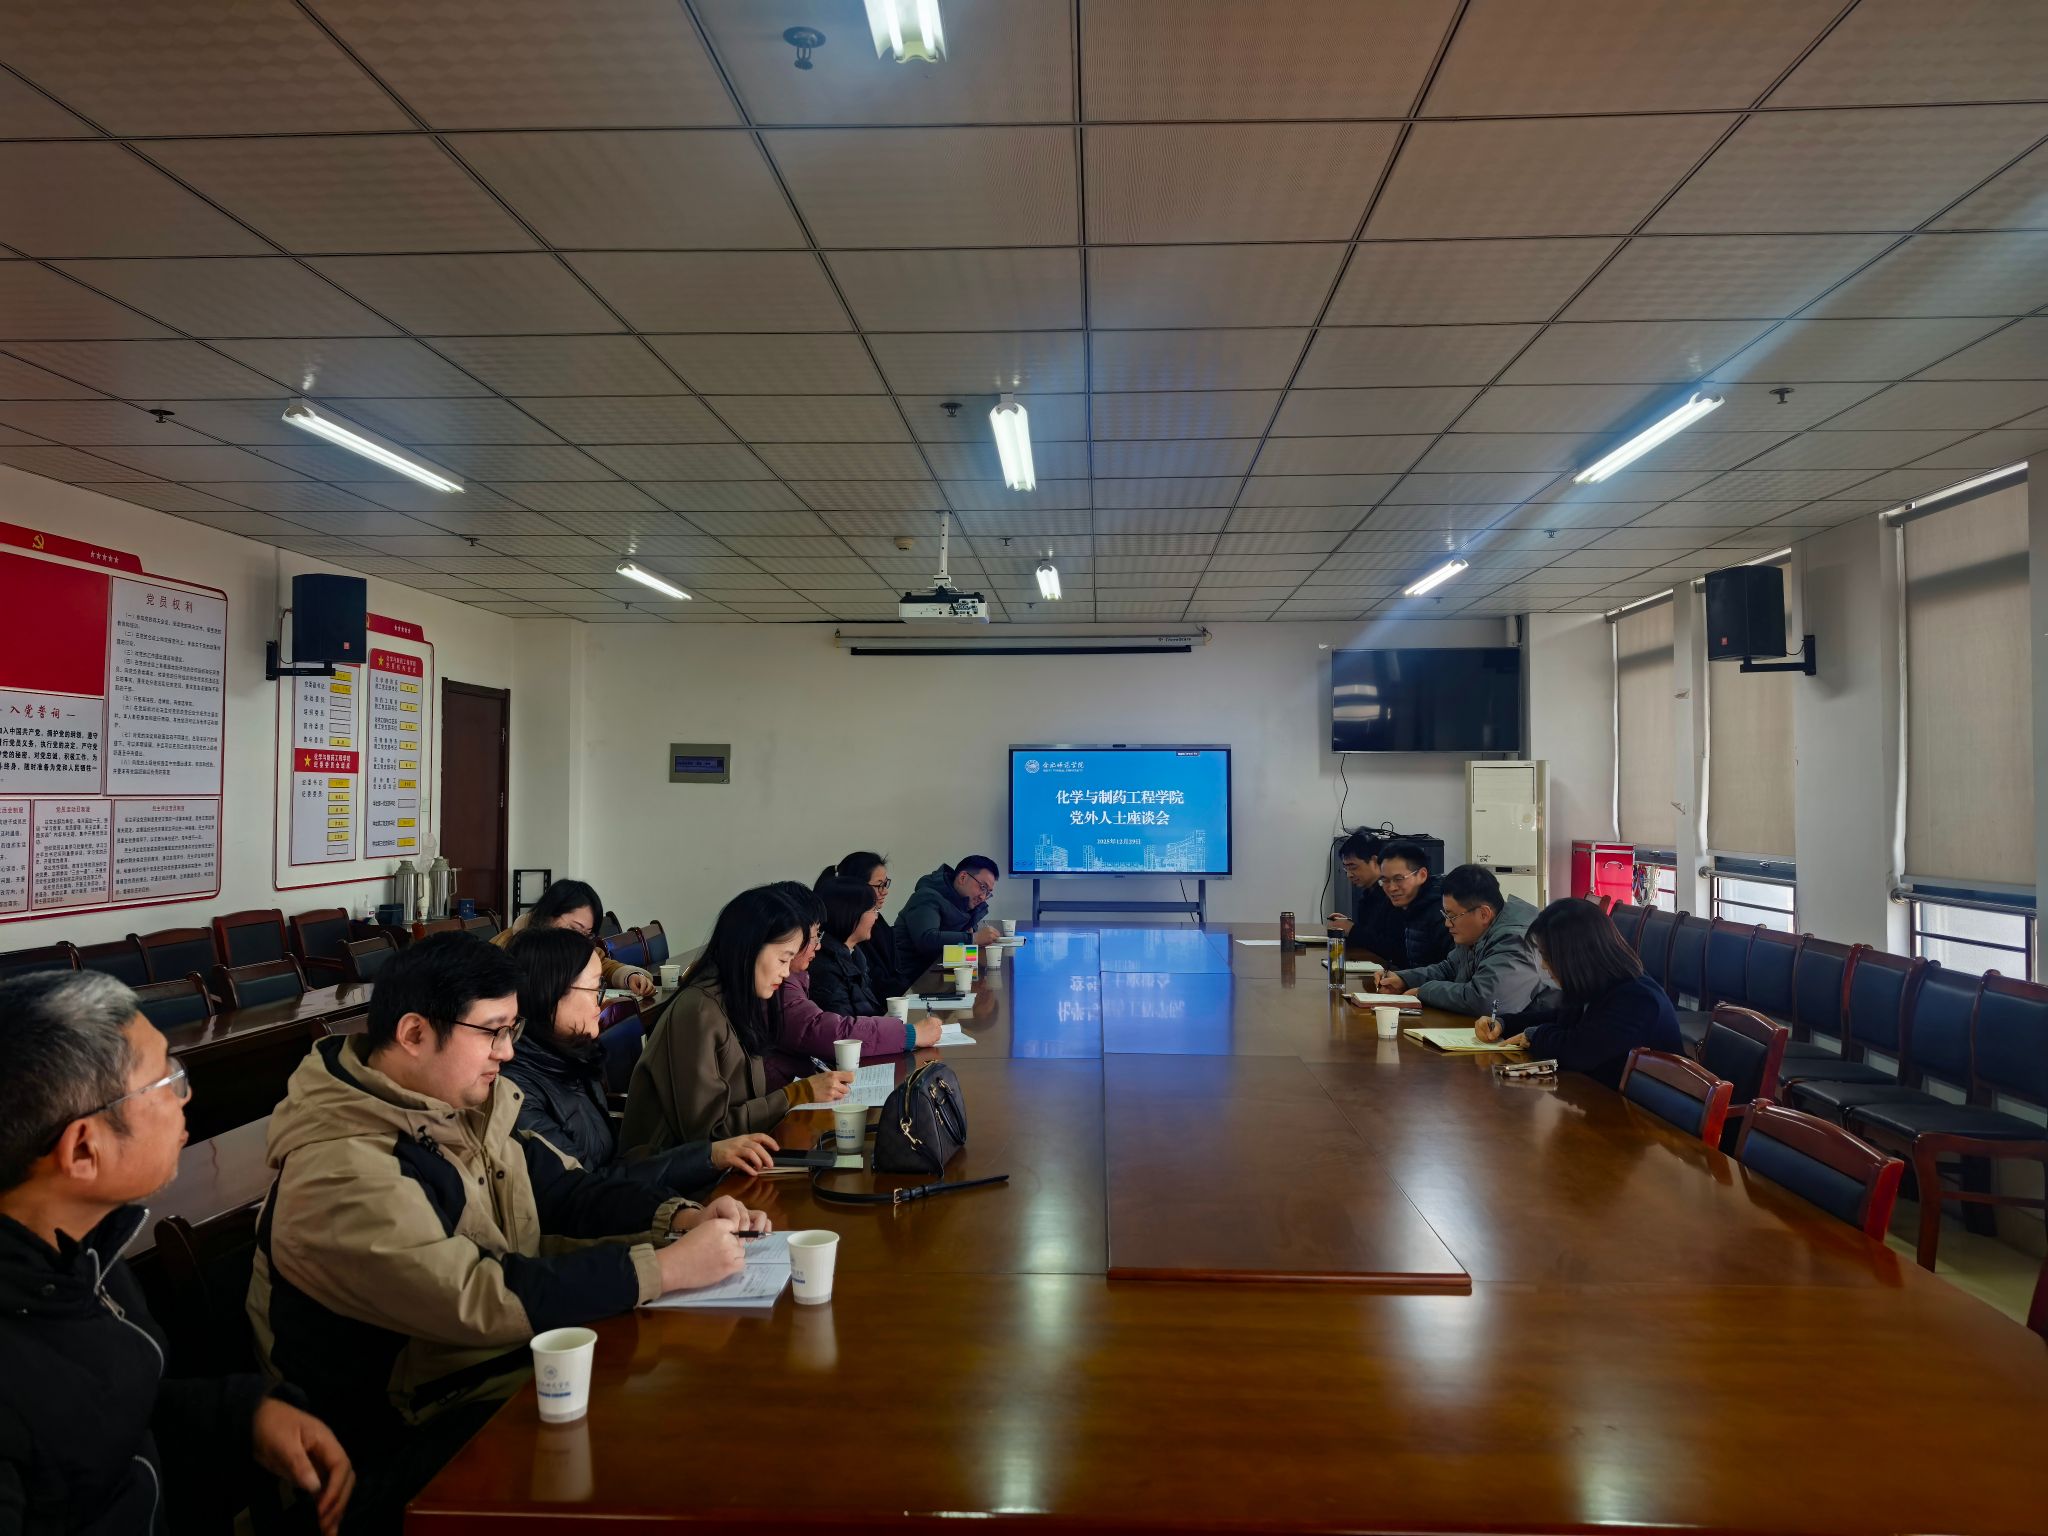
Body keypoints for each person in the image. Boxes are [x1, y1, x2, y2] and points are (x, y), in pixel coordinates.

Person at [248, 933, 767, 1530]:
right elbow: (477, 1297)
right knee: (660, 1442)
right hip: (389, 1445)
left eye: (511, 1029)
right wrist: (665, 1269)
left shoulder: (457, 1106)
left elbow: (563, 1194)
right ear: (414, 1033)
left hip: (477, 1373)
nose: (508, 1051)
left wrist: (680, 1220)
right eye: (492, 1032)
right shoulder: (342, 1169)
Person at [0, 971, 354, 1535]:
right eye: (165, 1080)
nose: (186, 1096)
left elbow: (101, 1422)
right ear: (84, 1149)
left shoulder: (86, 1248)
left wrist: (244, 1413)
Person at [502, 926, 778, 1198]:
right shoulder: (517, 1093)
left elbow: (611, 1166)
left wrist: (708, 1159)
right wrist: (706, 1158)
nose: (601, 1001)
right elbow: (586, 1192)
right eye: (595, 988)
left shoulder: (571, 1057)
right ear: (549, 993)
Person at [623, 887, 853, 1153]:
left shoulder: (739, 999)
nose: (786, 972)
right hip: (670, 1169)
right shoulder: (699, 1012)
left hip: (732, 1156)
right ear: (749, 950)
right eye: (783, 959)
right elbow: (708, 1134)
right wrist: (798, 1094)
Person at [1475, 898, 1683, 1088]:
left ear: (1575, 956)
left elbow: (1578, 1052)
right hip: (1601, 1095)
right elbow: (1561, 1018)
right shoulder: (1600, 982)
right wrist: (1504, 1023)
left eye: (1547, 957)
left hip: (1644, 1112)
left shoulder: (1636, 999)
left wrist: (1535, 1035)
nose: (1544, 966)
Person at [766, 878, 944, 1089]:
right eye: (813, 936)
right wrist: (908, 1034)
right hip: (787, 1091)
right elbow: (824, 1031)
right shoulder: (809, 971)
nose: (817, 945)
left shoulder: (849, 956)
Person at [1375, 863, 1555, 1017]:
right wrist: (1404, 979)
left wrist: (1424, 992)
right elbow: (1449, 968)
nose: (1447, 923)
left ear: (1484, 914)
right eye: (1445, 914)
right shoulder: (1477, 934)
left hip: (1538, 1039)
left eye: (1452, 915)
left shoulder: (1517, 940)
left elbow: (1487, 1000)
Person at [493, 877, 654, 997]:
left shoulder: (578, 947)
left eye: (587, 934)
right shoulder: (504, 950)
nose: (580, 941)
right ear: (548, 915)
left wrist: (629, 977)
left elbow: (603, 964)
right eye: (574, 929)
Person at [821, 851, 913, 996]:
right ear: (856, 887)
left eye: (886, 884)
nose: (885, 891)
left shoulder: (878, 921)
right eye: (879, 885)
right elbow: (875, 983)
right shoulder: (851, 931)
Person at [898, 856, 1003, 977]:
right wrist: (974, 938)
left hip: (940, 972)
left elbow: (960, 947)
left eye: (988, 893)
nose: (983, 897)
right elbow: (926, 939)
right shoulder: (927, 896)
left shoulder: (966, 906)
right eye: (983, 887)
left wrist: (976, 942)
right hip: (910, 977)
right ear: (963, 877)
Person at [1366, 839, 1454, 969]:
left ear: (1422, 875)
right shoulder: (1401, 906)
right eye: (1385, 880)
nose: (1391, 888)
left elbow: (1453, 969)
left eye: (1398, 879)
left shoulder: (1441, 912)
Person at [1325, 829, 1389, 955]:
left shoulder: (1392, 896)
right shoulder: (1367, 895)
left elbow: (1389, 947)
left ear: (1375, 861)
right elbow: (1368, 936)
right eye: (1346, 869)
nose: (1349, 875)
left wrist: (1352, 929)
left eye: (1353, 867)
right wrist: (1348, 925)